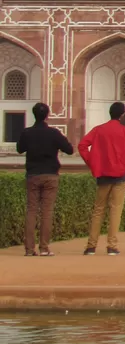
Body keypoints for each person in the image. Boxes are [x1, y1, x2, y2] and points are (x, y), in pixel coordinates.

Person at [79, 101, 125, 256]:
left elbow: (82, 145)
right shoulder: (124, 130)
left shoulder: (99, 130)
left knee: (98, 210)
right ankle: (112, 246)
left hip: (102, 173)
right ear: (122, 115)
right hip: (121, 173)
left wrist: (92, 162)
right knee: (115, 210)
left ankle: (91, 246)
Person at [17, 102, 73, 257]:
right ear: (47, 115)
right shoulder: (54, 133)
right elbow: (69, 150)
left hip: (33, 175)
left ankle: (29, 249)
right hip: (50, 175)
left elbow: (20, 149)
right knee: (47, 212)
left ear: (34, 114)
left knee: (31, 211)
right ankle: (44, 248)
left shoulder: (27, 132)